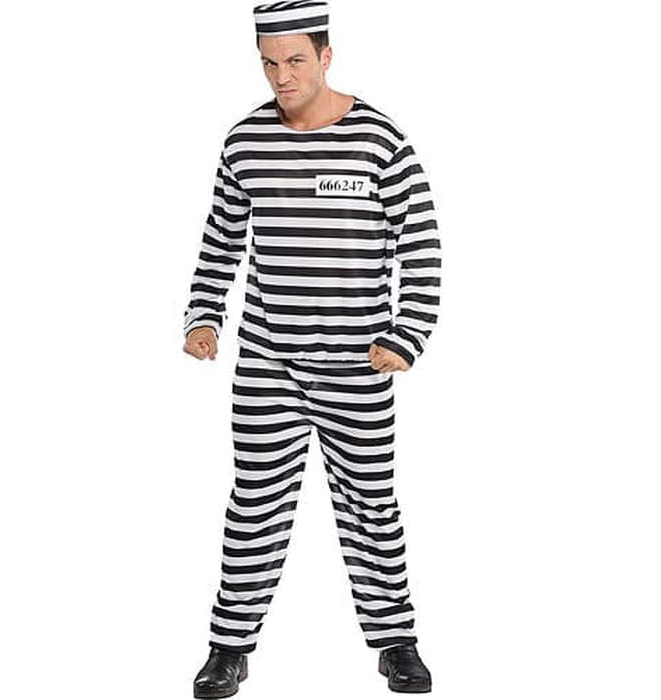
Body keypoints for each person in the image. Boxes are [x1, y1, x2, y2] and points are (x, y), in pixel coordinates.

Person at [183, 2, 441, 696]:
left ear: (326, 56)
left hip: (357, 366)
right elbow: (220, 239)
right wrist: (204, 316)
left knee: (370, 504)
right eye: (269, 63)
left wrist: (407, 335)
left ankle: (396, 641)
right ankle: (228, 648)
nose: (282, 77)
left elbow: (421, 246)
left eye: (296, 60)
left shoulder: (380, 141)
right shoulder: (244, 143)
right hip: (267, 363)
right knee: (254, 504)